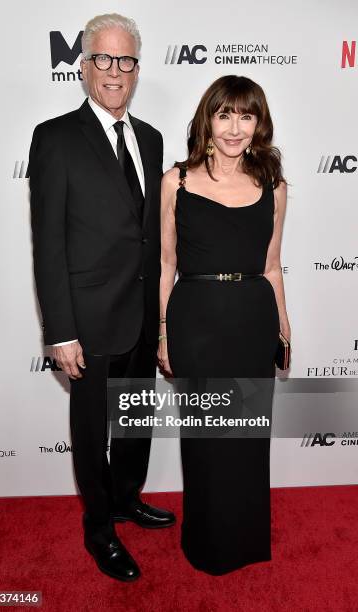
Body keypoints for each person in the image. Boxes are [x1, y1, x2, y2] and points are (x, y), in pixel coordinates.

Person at [28, 13, 175, 582]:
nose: (116, 72)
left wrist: (161, 319)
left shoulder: (152, 138)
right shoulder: (55, 137)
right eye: (105, 59)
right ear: (84, 65)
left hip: (140, 314)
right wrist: (59, 330)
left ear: (138, 69)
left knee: (135, 420)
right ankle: (99, 530)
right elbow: (48, 244)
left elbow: (152, 236)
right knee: (92, 433)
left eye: (127, 61)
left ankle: (125, 498)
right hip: (86, 321)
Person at [158, 75, 290, 574]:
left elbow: (273, 266)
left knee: (248, 436)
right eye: (225, 114)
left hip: (253, 320)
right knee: (207, 440)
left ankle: (246, 541)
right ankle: (208, 545)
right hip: (196, 320)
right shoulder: (179, 180)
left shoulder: (273, 185)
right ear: (207, 120)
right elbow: (167, 264)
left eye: (246, 115)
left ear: (258, 124)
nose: (235, 128)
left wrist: (284, 325)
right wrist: (163, 333)